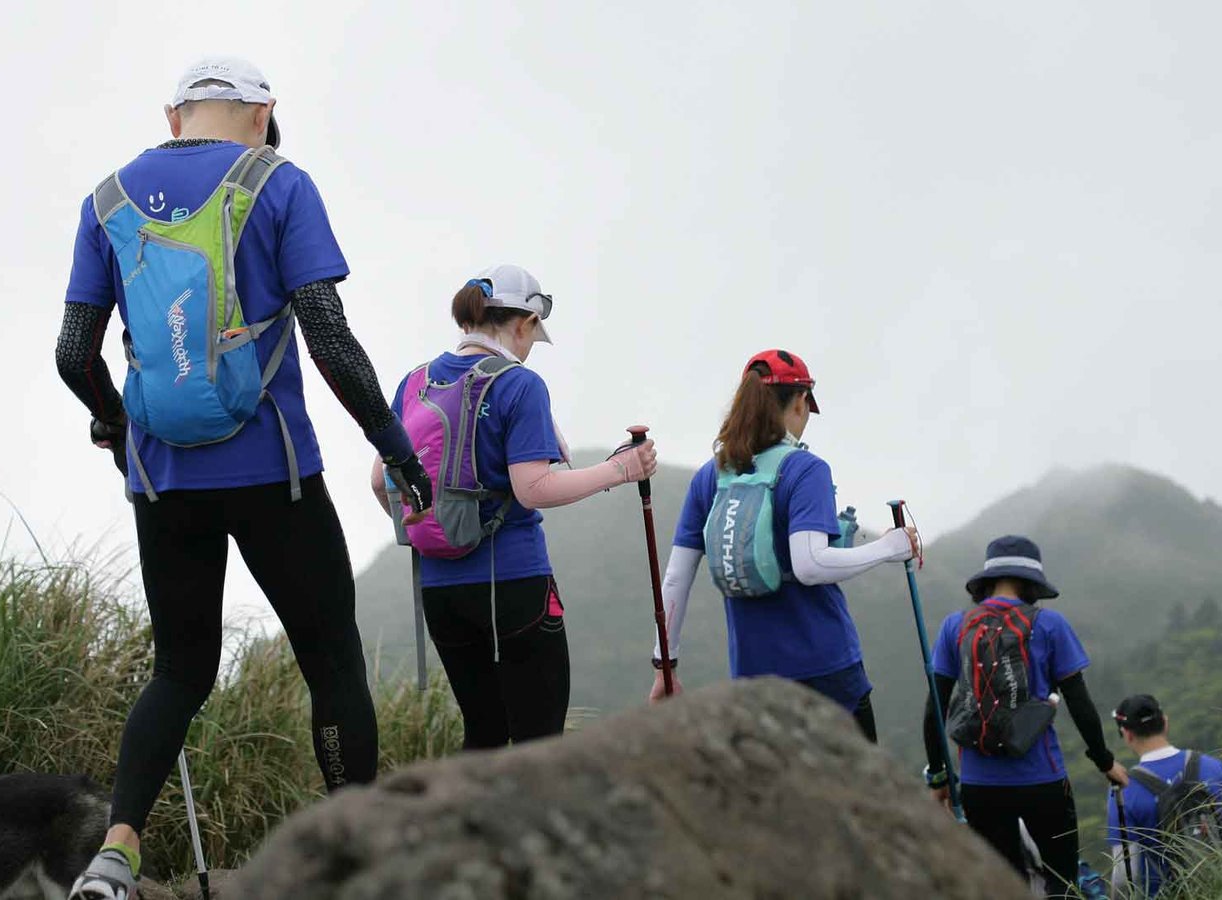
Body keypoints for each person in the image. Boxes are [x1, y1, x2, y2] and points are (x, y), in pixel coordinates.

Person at [57, 57, 430, 900]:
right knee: (332, 665)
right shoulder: (280, 183)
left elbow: (71, 353)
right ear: (263, 113)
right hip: (277, 472)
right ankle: (355, 859)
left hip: (163, 479)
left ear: (174, 113)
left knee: (179, 672)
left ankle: (114, 856)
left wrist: (118, 426)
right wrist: (396, 448)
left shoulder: (106, 200)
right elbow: (329, 338)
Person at [371, 265, 657, 750]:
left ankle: (469, 827)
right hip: (514, 583)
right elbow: (534, 488)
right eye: (532, 334)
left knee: (482, 734)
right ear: (523, 323)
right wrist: (621, 471)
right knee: (538, 744)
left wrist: (437, 527)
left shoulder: (414, 382)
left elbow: (381, 480)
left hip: (440, 590)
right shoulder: (519, 385)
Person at [647, 349, 920, 741]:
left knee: (779, 799)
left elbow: (675, 578)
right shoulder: (805, 469)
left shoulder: (712, 475)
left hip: (753, 676)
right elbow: (810, 565)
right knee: (855, 796)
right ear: (800, 402)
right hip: (827, 670)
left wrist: (665, 667)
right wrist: (890, 548)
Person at [922, 535, 1129, 898]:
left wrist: (939, 776)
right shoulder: (1050, 625)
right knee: (1062, 882)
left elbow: (934, 710)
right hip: (1043, 780)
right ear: (1031, 582)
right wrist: (1104, 760)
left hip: (979, 784)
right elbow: (1080, 704)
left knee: (1002, 887)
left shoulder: (956, 626)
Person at [1107, 694, 1222, 897]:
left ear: (1127, 734)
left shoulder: (1124, 790)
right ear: (1165, 723)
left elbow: (1124, 875)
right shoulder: (1210, 766)